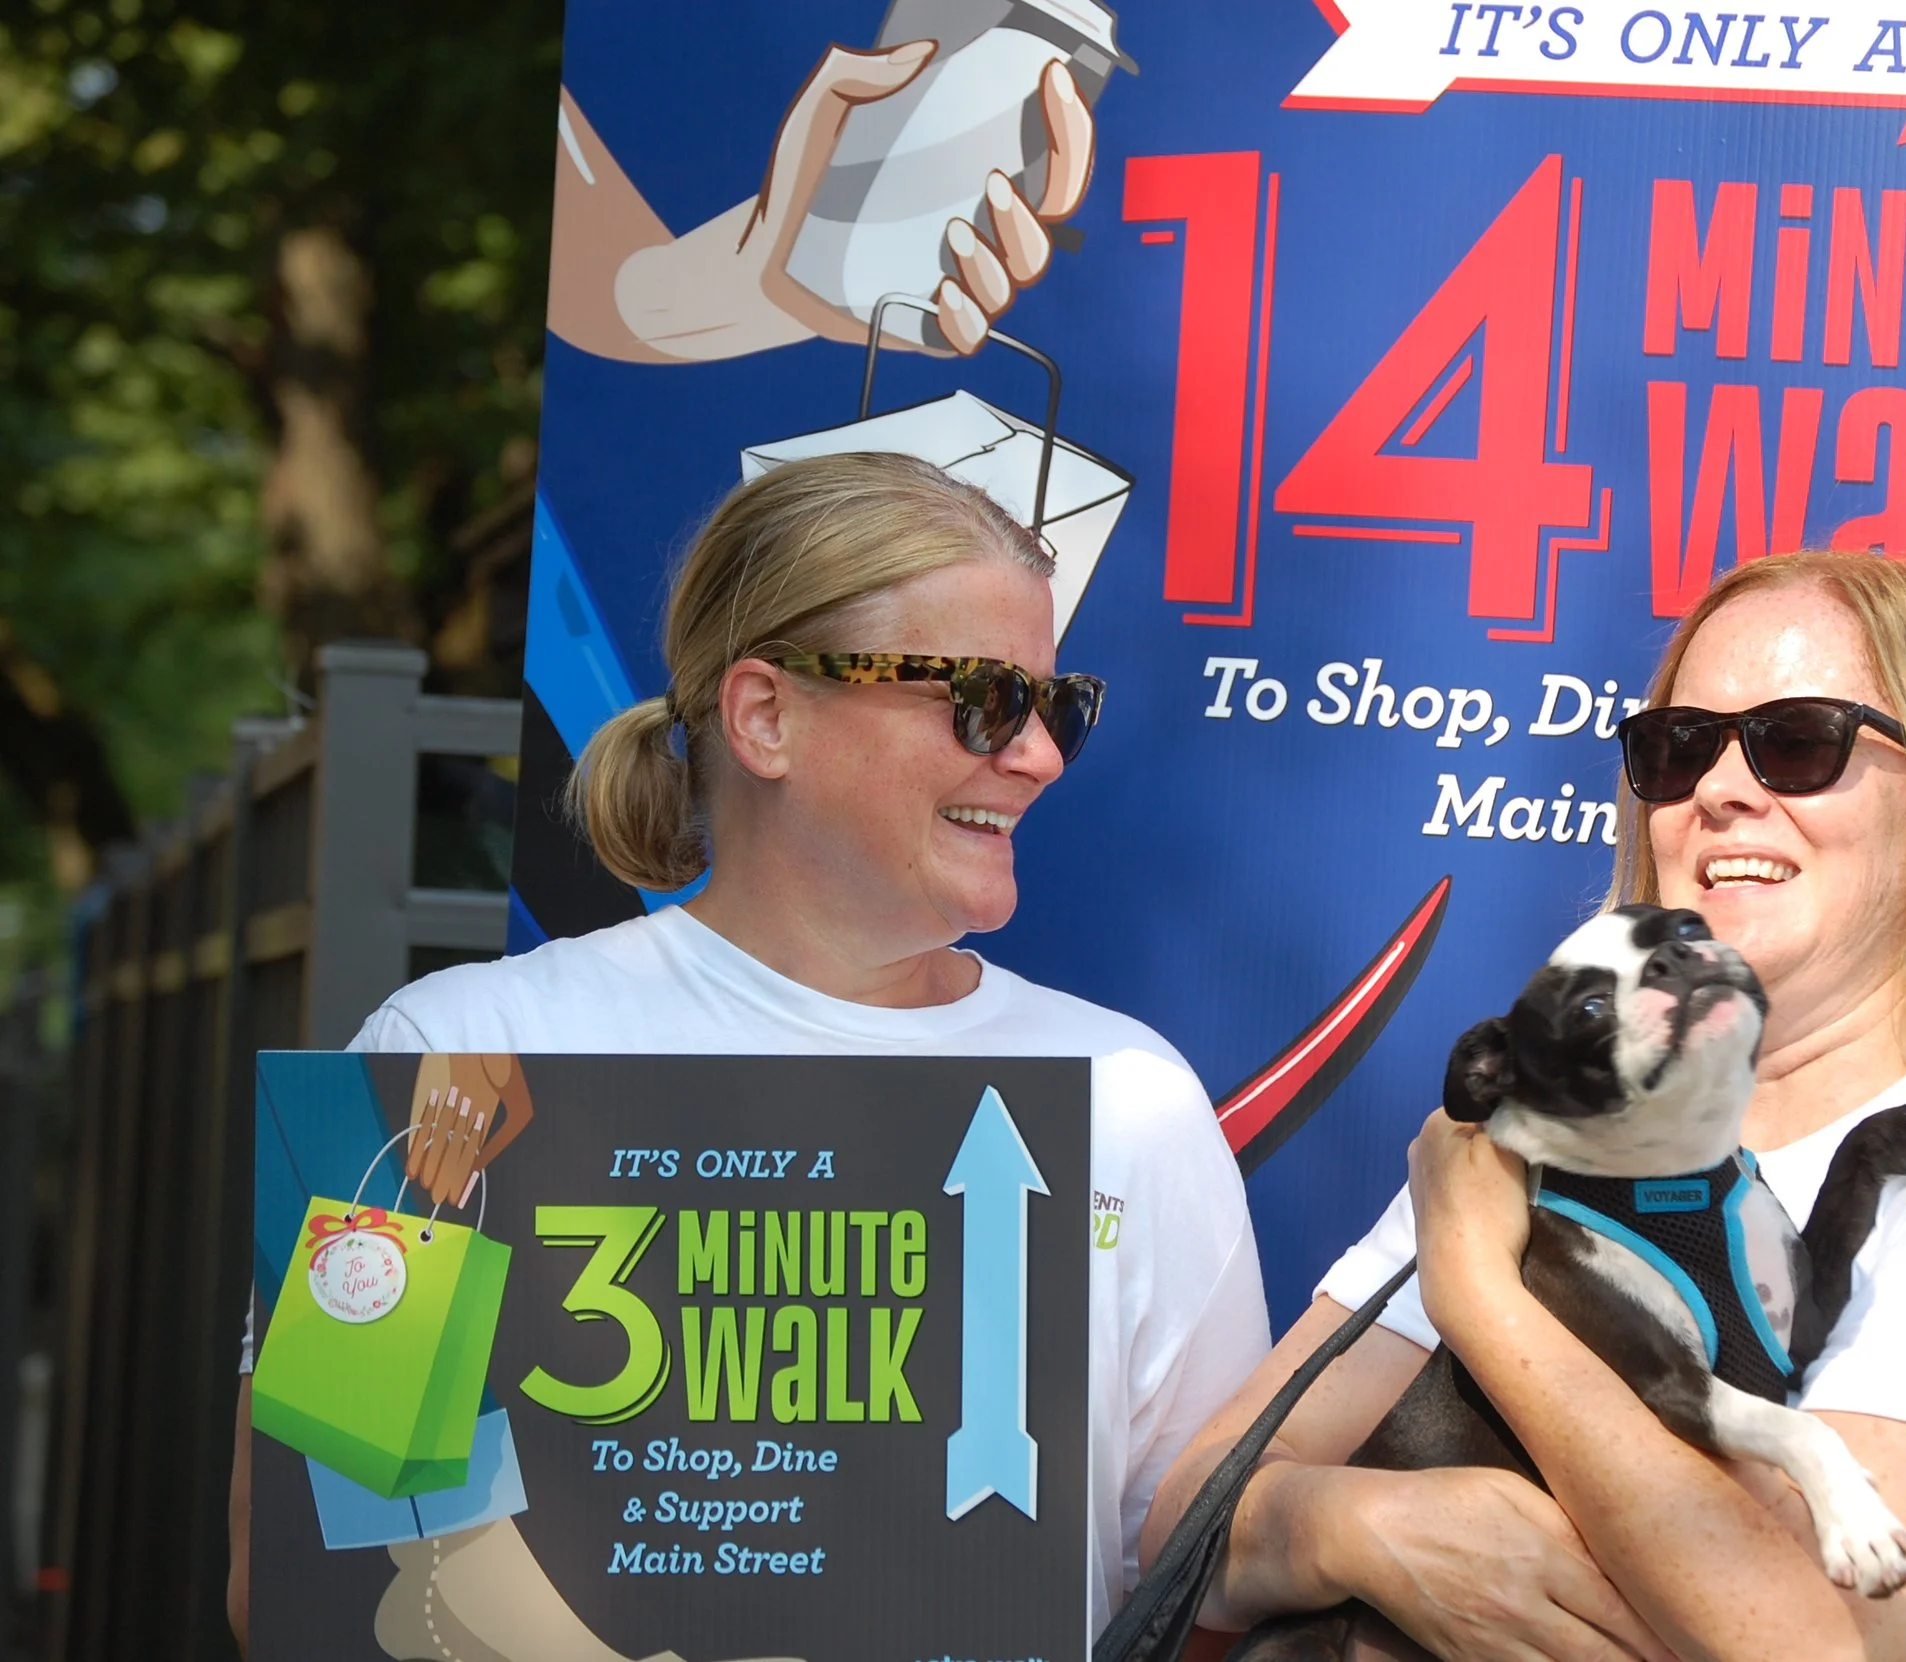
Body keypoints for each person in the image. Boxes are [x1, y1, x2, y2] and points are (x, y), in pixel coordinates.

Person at [230, 451, 1269, 1658]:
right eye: (986, 700)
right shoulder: (447, 1051)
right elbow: (312, 1576)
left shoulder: (1133, 1099)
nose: (1036, 754)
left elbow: (1206, 1585)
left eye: (1058, 706)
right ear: (766, 715)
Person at [1144, 552, 1906, 1662]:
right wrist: (1366, 1528)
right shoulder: (1537, 1124)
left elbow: (1810, 1637)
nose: (1722, 790)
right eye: (1677, 750)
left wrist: (1481, 1294)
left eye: (1797, 742)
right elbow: (1184, 1526)